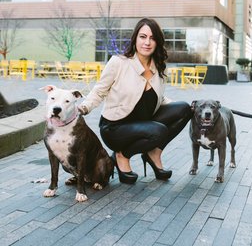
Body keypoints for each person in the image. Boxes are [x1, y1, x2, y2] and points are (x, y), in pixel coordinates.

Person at [79, 18, 193, 184]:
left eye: (152, 38)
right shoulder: (119, 62)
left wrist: (192, 108)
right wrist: (83, 108)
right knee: (158, 131)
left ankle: (154, 152)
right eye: (143, 36)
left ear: (158, 42)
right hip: (115, 128)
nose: (147, 42)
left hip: (143, 124)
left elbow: (159, 98)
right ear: (135, 39)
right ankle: (122, 155)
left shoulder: (159, 66)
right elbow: (99, 91)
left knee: (185, 109)